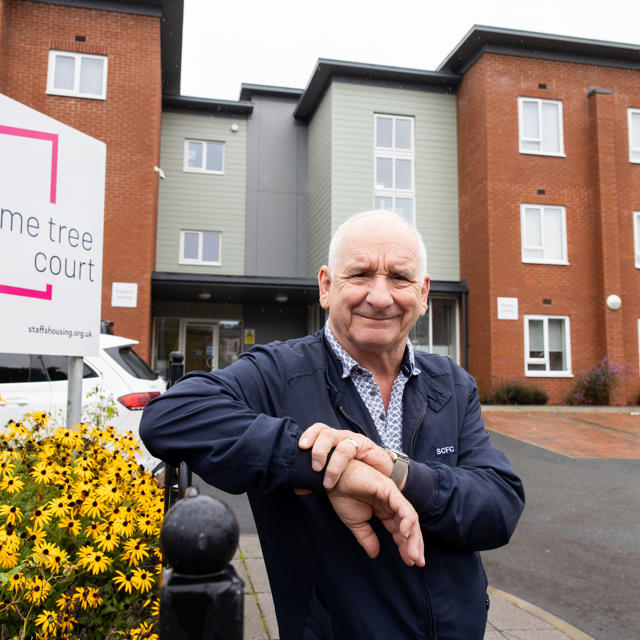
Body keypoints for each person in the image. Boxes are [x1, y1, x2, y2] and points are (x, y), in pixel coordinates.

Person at [140, 210, 525, 640]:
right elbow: (170, 416)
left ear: (424, 292)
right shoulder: (279, 372)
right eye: (359, 274)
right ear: (326, 286)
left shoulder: (452, 383)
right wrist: (324, 466)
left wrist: (398, 474)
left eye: (399, 278)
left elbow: (499, 507)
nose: (380, 297)